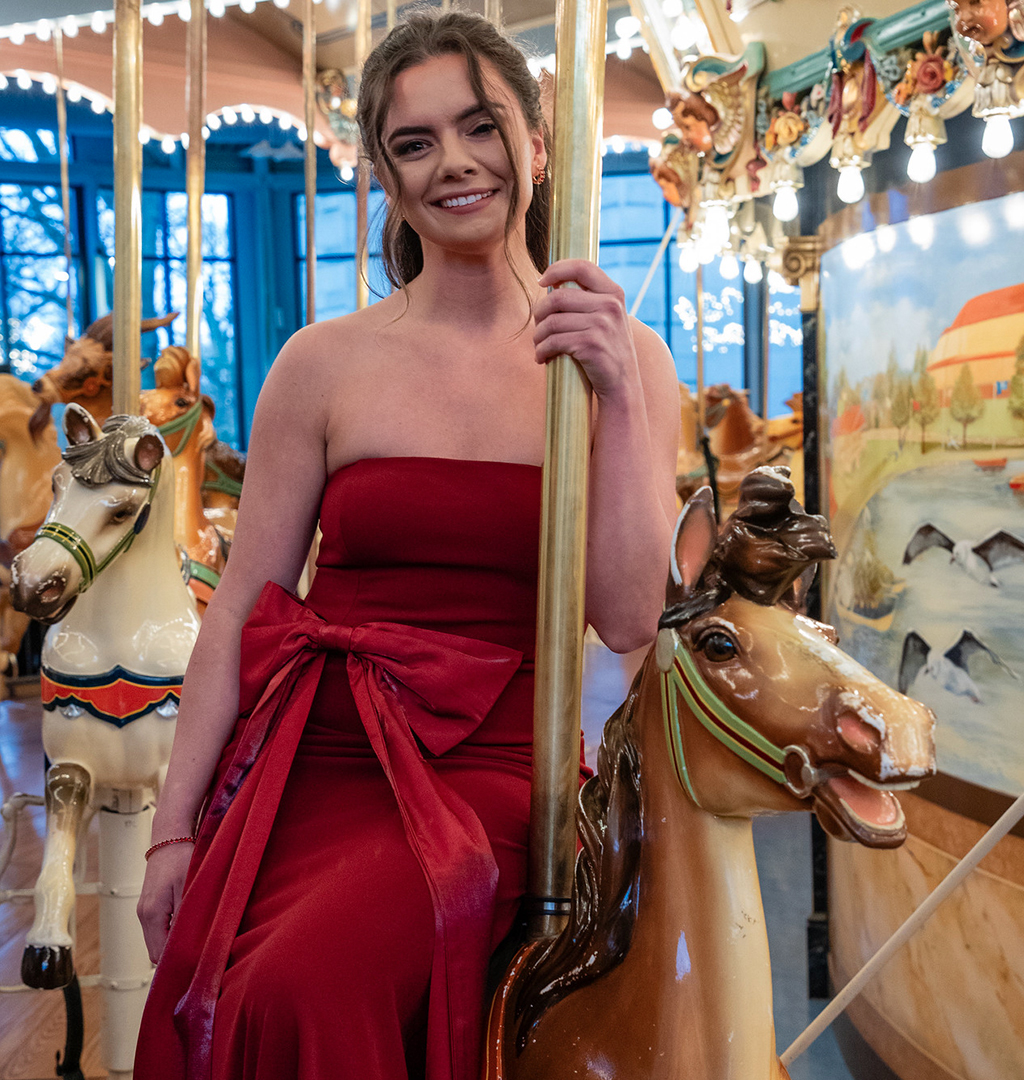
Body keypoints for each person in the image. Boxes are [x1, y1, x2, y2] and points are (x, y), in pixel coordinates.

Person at [133, 10, 679, 1080]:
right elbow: (242, 604)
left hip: (493, 767)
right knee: (233, 978)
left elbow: (628, 618)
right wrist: (173, 828)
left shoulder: (622, 357)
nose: (455, 164)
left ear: (535, 138)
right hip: (314, 760)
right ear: (384, 172)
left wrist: (615, 393)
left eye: (480, 127)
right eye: (415, 143)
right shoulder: (324, 363)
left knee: (298, 984)